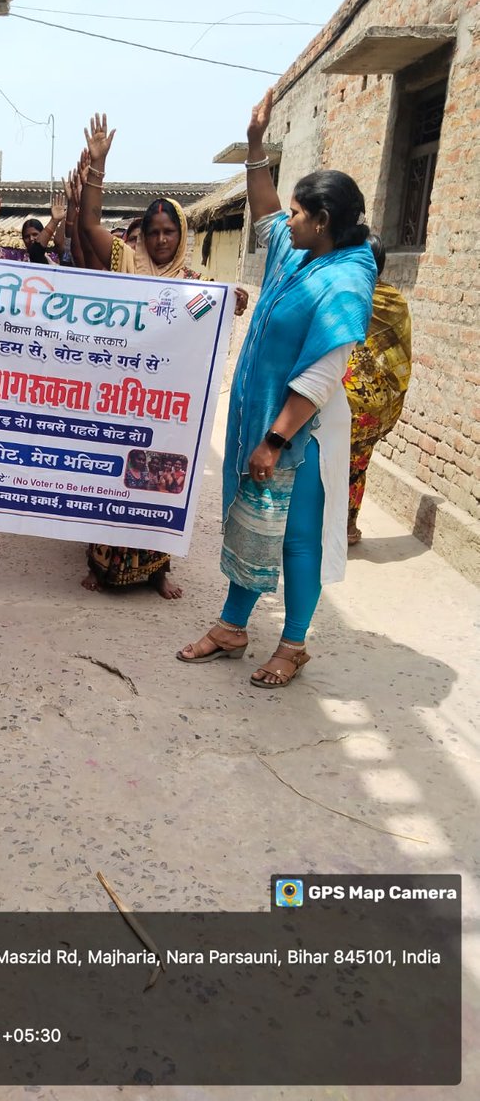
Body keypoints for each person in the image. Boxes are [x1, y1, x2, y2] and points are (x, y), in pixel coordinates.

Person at [177, 88, 376, 687]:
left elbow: (321, 373)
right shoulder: (301, 251)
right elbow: (264, 211)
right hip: (261, 419)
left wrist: (273, 440)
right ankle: (234, 627)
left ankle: (293, 643)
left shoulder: (344, 279)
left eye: (296, 213)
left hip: (300, 434)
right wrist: (257, 144)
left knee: (295, 537)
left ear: (321, 221)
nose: (283, 221)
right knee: (251, 522)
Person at [78, 113, 248, 599]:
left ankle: (156, 568)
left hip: (164, 403)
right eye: (152, 231)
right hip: (118, 393)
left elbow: (213, 320)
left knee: (157, 477)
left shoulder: (195, 287)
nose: (158, 239)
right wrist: (97, 164)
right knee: (110, 476)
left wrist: (230, 300)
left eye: (168, 231)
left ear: (181, 233)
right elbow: (89, 222)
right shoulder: (126, 264)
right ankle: (99, 561)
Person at [343, 234, 411, 545]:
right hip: (362, 400)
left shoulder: (346, 295)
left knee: (337, 464)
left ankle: (326, 527)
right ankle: (346, 526)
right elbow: (400, 356)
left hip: (348, 398)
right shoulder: (391, 299)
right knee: (355, 466)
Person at [0, 192, 66, 263]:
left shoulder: (53, 258)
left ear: (43, 233)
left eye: (35, 234)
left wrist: (63, 216)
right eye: (26, 236)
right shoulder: (15, 256)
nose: (31, 239)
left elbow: (59, 243)